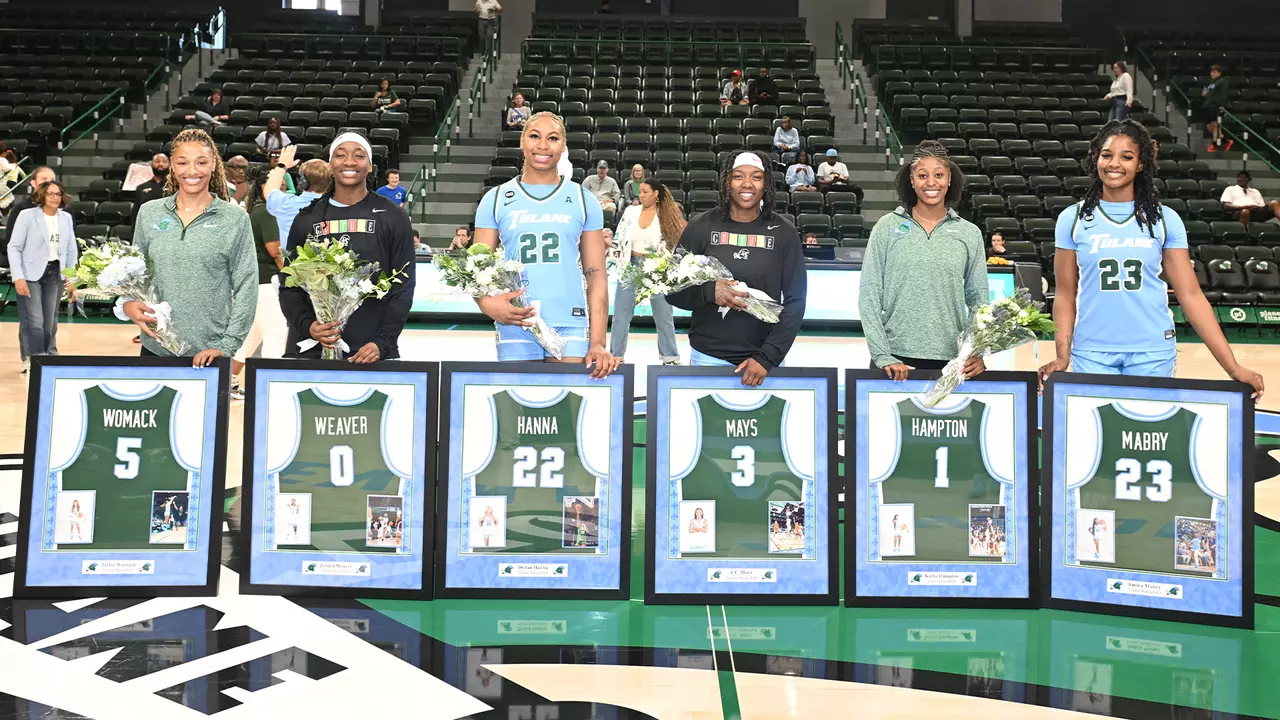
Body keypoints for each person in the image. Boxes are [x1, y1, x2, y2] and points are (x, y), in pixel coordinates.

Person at [1039, 120, 1263, 398]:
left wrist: (1233, 367)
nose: (1114, 164)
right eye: (1106, 155)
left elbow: (1191, 296)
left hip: (1153, 352)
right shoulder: (1072, 219)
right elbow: (1064, 295)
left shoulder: (1164, 219)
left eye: (1127, 157)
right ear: (1096, 158)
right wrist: (1062, 355)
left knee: (1145, 426)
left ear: (1141, 164)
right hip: (1092, 351)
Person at [470, 112, 617, 377]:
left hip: (569, 321)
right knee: (517, 402)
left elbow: (596, 274)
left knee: (567, 401)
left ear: (563, 146)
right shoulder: (495, 198)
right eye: (534, 136)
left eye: (553, 138)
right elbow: (477, 269)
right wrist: (486, 303)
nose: (542, 146)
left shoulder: (583, 200)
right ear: (522, 141)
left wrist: (598, 341)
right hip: (516, 321)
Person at [666, 151, 806, 385]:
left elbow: (796, 300)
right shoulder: (700, 227)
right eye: (738, 176)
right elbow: (671, 289)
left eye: (756, 177)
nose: (747, 184)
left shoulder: (784, 232)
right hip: (708, 358)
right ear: (726, 182)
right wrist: (709, 292)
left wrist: (767, 357)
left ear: (766, 184)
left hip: (765, 365)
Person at [124, 129, 258, 367]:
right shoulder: (149, 212)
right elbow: (135, 273)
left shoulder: (235, 219)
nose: (192, 171)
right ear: (173, 166)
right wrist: (127, 302)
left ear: (214, 164)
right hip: (156, 347)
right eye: (183, 162)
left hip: (210, 353)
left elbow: (247, 285)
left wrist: (227, 346)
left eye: (201, 162)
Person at [279, 133, 417, 363]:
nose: (350, 162)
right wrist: (309, 325)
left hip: (368, 352)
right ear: (330, 165)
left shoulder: (393, 216)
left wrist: (382, 342)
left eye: (359, 156)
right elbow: (289, 285)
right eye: (341, 155)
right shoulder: (307, 218)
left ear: (370, 166)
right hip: (311, 348)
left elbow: (403, 287)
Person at [859, 140, 987, 380]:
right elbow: (869, 295)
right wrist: (882, 355)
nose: (931, 183)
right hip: (894, 361)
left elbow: (979, 299)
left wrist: (975, 351)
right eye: (922, 175)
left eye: (938, 175)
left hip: (953, 362)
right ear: (911, 180)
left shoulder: (969, 233)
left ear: (949, 179)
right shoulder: (886, 227)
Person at [609, 178, 685, 364]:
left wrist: (667, 266)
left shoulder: (666, 214)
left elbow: (675, 242)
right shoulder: (630, 211)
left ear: (656, 194)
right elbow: (619, 236)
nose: (641, 195)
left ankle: (670, 357)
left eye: (645, 192)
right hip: (631, 265)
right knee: (620, 316)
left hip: (657, 267)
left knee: (663, 316)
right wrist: (616, 260)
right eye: (640, 192)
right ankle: (615, 357)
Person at [229, 166, 287, 398]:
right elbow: (275, 251)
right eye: (279, 186)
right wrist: (291, 277)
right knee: (276, 336)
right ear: (265, 187)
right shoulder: (266, 213)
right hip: (267, 282)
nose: (282, 190)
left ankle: (226, 382)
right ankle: (272, 390)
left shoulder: (256, 210)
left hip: (254, 282)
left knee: (250, 337)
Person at [7, 180, 77, 365]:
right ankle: (34, 359)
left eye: (58, 194)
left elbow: (71, 249)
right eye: (50, 193)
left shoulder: (66, 218)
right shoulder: (27, 216)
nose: (55, 197)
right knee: (34, 320)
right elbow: (14, 247)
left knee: (50, 321)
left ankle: (49, 356)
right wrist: (18, 276)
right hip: (30, 274)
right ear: (41, 196)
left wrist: (72, 277)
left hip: (55, 272)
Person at [266, 150, 331, 252]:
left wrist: (282, 166)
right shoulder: (339, 206)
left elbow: (269, 191)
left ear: (302, 182)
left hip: (291, 262)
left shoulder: (286, 204)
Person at [1198, 65, 1231, 152]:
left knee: (1215, 124)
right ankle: (1225, 140)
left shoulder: (1222, 81)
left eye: (1214, 72)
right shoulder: (1212, 83)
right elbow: (1207, 94)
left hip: (1216, 105)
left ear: (1219, 73)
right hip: (1208, 105)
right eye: (1211, 72)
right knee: (1209, 126)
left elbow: (1224, 94)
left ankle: (1214, 144)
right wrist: (1204, 94)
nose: (1212, 73)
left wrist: (1222, 105)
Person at [132, 153, 169, 222]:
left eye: (164, 161)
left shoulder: (176, 186)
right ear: (151, 164)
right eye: (157, 161)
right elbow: (136, 213)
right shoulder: (141, 188)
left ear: (170, 164)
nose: (160, 164)